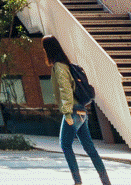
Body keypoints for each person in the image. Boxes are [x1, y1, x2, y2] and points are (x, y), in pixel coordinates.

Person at [45, 36, 111, 185]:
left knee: (65, 145)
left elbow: (65, 90)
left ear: (48, 50)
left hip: (73, 111)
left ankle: (77, 182)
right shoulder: (67, 64)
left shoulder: (59, 67)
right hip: (82, 111)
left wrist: (67, 113)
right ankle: (106, 181)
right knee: (89, 148)